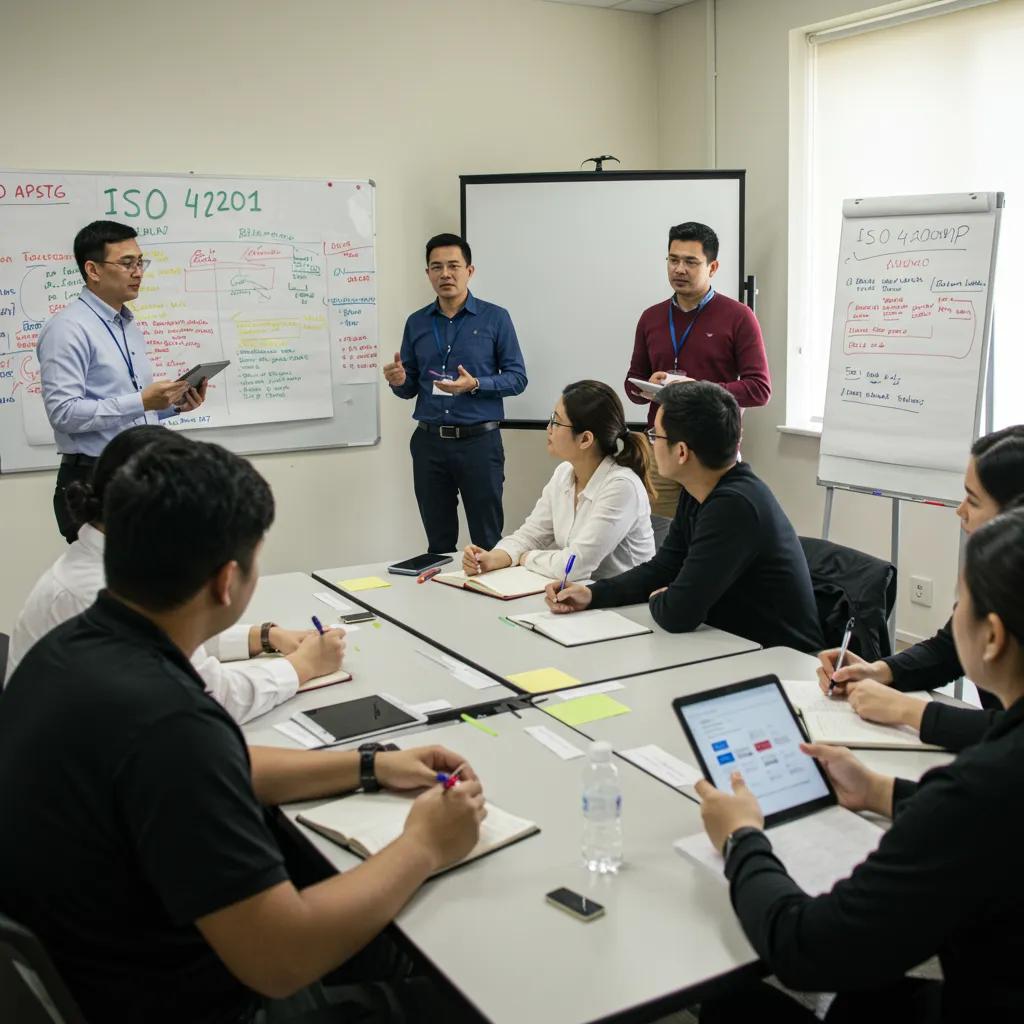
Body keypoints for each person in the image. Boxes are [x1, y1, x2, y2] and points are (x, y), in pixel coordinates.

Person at [0, 437, 485, 1024]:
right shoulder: (169, 722)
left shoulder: (74, 646)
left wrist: (368, 765)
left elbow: (216, 765)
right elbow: (282, 957)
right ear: (228, 581)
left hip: (94, 967)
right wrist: (425, 844)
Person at [694, 506, 1024, 1023]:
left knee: (728, 1005)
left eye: (960, 603)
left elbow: (805, 946)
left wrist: (741, 839)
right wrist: (879, 791)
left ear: (993, 637)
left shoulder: (979, 786)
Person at [4, 426, 345, 724]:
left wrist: (263, 637)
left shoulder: (116, 561)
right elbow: (208, 699)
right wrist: (303, 666)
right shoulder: (92, 592)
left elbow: (168, 635)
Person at [544, 381, 822, 652]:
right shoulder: (698, 489)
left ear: (681, 452)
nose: (651, 443)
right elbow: (664, 568)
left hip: (778, 657)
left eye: (656, 435)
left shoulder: (734, 506)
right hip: (729, 643)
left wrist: (664, 596)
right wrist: (593, 594)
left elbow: (678, 613)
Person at [817, 425, 1024, 751]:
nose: (960, 511)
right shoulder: (999, 573)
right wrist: (877, 671)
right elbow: (948, 649)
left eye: (973, 500)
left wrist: (909, 710)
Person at [37, 220, 208, 543]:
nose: (138, 272)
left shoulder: (126, 324)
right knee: (113, 573)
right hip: (92, 479)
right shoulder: (68, 329)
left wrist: (171, 405)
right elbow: (63, 413)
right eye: (127, 263)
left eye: (140, 262)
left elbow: (124, 404)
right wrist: (142, 401)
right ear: (93, 270)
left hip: (138, 470)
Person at [383, 233, 527, 553]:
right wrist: (399, 381)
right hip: (429, 444)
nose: (445, 274)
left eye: (453, 266)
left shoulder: (495, 318)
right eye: (437, 267)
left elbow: (517, 379)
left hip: (479, 444)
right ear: (428, 274)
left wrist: (475, 384)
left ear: (469, 271)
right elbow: (409, 388)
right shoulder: (416, 323)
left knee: (487, 541)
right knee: (438, 543)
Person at [624, 221, 770, 518]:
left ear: (712, 267)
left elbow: (759, 389)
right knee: (659, 536)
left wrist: (697, 389)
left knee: (713, 534)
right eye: (673, 260)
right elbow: (631, 385)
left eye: (690, 262)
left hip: (712, 454)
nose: (679, 269)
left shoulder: (739, 317)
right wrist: (648, 386)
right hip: (662, 451)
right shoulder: (651, 317)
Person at [462, 380, 655, 582]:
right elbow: (531, 535)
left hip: (624, 599)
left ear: (585, 439)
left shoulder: (622, 486)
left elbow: (573, 566)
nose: (549, 428)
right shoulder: (564, 473)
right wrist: (493, 558)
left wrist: (527, 557)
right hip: (582, 593)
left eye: (556, 421)